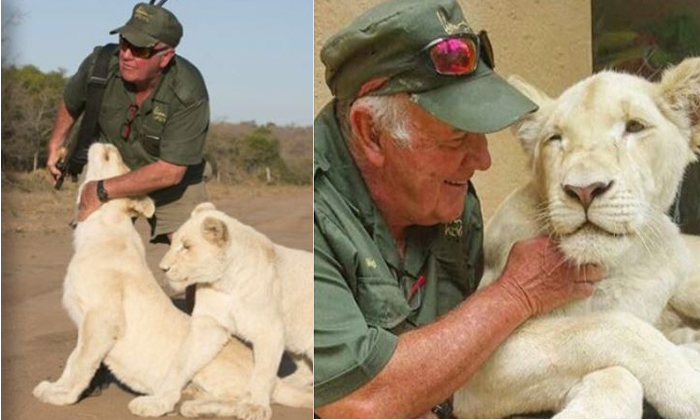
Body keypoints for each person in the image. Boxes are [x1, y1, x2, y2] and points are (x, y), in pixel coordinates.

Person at [313, 0, 602, 418]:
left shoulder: (448, 198)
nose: (482, 160)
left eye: (480, 135)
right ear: (370, 132)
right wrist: (517, 293)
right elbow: (361, 401)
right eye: (454, 139)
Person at [45, 3, 208, 309]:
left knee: (194, 252)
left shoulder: (189, 90)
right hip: (111, 162)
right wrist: (56, 142)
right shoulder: (100, 65)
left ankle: (198, 335)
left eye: (141, 49)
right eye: (124, 43)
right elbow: (71, 101)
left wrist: (102, 190)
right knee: (97, 249)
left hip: (169, 172)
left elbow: (171, 170)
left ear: (165, 57)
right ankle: (105, 330)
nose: (127, 54)